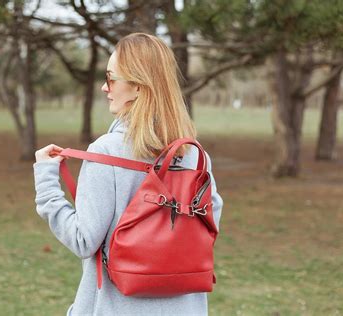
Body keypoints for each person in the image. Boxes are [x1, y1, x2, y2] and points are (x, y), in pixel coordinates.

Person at [33, 33, 224, 316]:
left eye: (111, 78)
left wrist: (47, 182)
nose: (103, 87)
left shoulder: (106, 152)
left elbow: (83, 240)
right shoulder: (195, 155)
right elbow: (209, 224)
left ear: (136, 86)